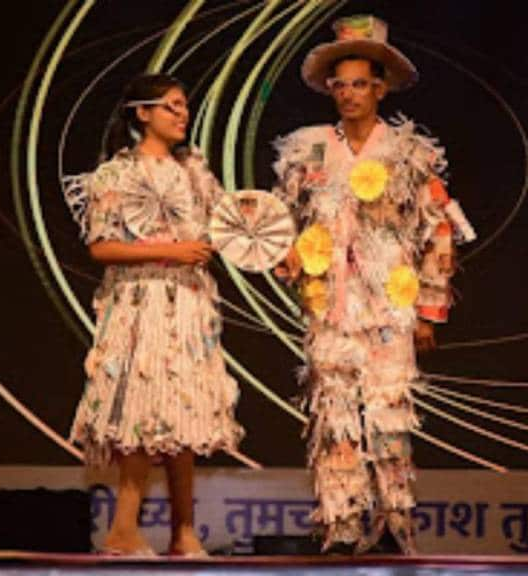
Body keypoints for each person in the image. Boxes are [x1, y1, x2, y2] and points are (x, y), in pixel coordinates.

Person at [272, 15, 477, 554]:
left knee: (388, 412)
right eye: (339, 84)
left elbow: (439, 229)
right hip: (329, 298)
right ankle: (341, 526)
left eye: (360, 83)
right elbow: (281, 220)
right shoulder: (306, 150)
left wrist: (432, 309)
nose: (348, 94)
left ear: (379, 87)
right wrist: (284, 253)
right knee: (334, 411)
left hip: (389, 297)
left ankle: (393, 526)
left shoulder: (410, 152)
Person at [62, 73, 244, 557]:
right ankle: (124, 528)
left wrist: (276, 249)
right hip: (138, 303)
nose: (182, 114)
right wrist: (171, 250)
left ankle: (184, 531)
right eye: (171, 106)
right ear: (142, 113)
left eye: (184, 107)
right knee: (143, 409)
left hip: (189, 304)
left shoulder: (195, 172)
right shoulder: (114, 176)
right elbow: (100, 246)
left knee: (182, 413)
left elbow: (230, 223)